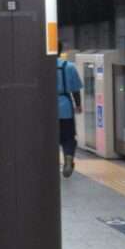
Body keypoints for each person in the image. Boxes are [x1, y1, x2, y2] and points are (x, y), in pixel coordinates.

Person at [56, 43, 83, 178]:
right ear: (60, 51)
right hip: (65, 107)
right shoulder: (69, 66)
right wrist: (78, 105)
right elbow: (76, 90)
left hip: (46, 109)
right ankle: (68, 158)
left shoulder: (42, 67)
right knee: (68, 137)